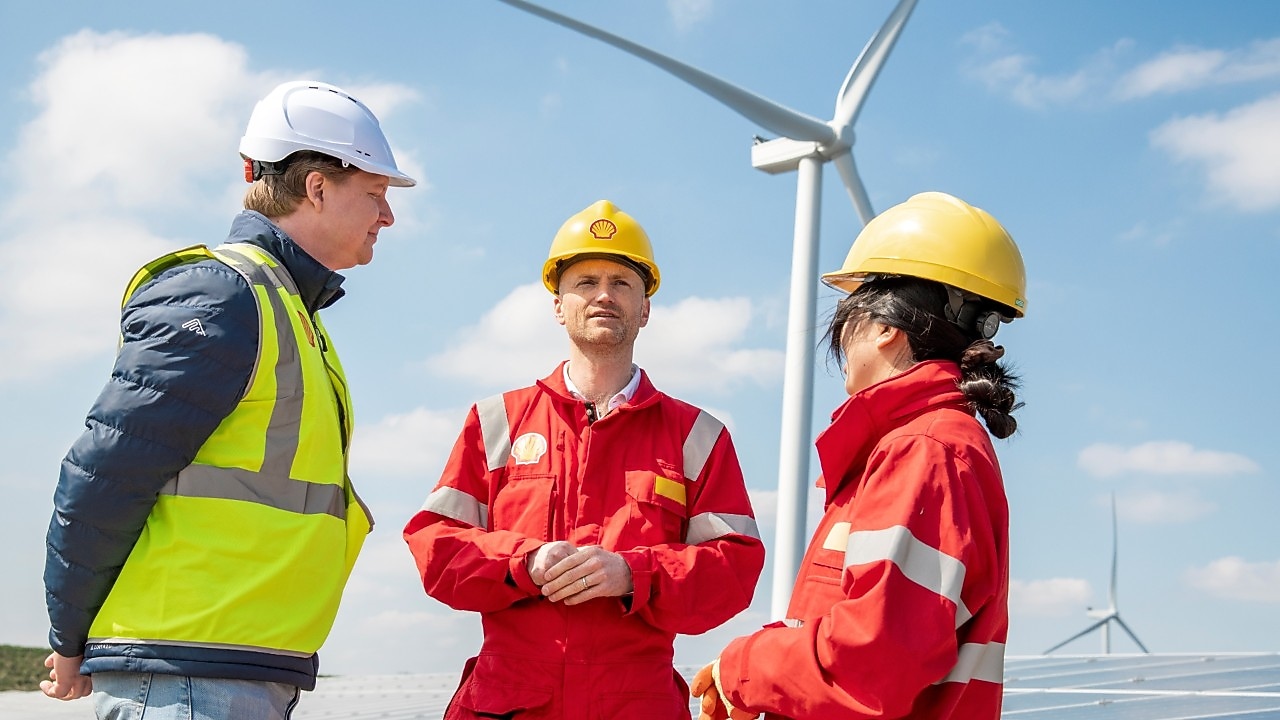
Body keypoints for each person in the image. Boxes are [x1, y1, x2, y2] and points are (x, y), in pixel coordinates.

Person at [41, 80, 416, 719]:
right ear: (318, 187)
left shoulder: (288, 309)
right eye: (376, 194)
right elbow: (103, 475)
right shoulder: (227, 297)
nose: (387, 216)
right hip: (187, 676)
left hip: (226, 672)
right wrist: (68, 638)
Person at [404, 199, 766, 719]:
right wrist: (524, 562)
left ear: (645, 308)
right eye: (585, 281)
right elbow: (436, 550)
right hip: (510, 703)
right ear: (558, 305)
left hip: (636, 704)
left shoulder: (697, 436)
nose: (603, 294)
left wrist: (633, 574)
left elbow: (733, 570)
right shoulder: (495, 422)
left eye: (622, 282)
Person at [691, 191, 1027, 720]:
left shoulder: (923, 452)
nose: (843, 340)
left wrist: (745, 667)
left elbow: (869, 665)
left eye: (850, 316)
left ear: (885, 327)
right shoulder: (923, 447)